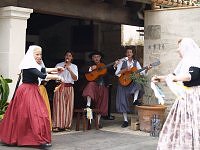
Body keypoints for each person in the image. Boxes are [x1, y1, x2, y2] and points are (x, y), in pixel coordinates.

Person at [0, 45, 64, 148]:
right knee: (35, 115)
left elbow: (43, 69)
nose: (39, 56)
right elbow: (43, 75)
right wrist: (58, 77)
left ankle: (35, 139)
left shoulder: (32, 64)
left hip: (32, 90)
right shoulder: (28, 65)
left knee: (32, 115)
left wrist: (56, 69)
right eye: (37, 54)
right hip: (27, 91)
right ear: (31, 55)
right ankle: (38, 140)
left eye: (40, 54)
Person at [151, 38, 200, 150]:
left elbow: (190, 76)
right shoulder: (184, 62)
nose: (178, 51)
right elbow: (173, 75)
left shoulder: (195, 60)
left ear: (186, 48)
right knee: (178, 124)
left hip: (193, 98)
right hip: (183, 99)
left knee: (192, 124)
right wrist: (159, 78)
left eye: (180, 48)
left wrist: (174, 78)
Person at [82, 51, 118, 128]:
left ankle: (98, 122)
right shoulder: (89, 64)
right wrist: (90, 68)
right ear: (92, 58)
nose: (96, 58)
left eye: (98, 57)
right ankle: (88, 104)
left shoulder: (104, 65)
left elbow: (112, 72)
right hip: (94, 86)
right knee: (90, 85)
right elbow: (82, 70)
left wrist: (114, 66)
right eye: (95, 57)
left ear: (100, 58)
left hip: (103, 86)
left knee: (102, 104)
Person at [115, 47, 148, 128]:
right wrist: (125, 69)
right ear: (126, 54)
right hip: (122, 82)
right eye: (127, 52)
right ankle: (125, 120)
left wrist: (147, 69)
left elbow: (142, 72)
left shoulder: (136, 63)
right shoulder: (122, 62)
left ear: (133, 54)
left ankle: (135, 99)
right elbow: (117, 73)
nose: (129, 53)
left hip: (131, 83)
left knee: (138, 80)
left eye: (130, 52)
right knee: (123, 101)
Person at [52, 51, 78, 132]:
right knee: (58, 106)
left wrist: (69, 69)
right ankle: (57, 125)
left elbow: (75, 78)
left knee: (68, 106)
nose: (68, 57)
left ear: (72, 58)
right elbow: (54, 75)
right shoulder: (59, 65)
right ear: (64, 56)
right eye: (67, 55)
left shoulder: (74, 66)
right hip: (60, 86)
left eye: (70, 56)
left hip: (69, 87)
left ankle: (67, 125)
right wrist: (62, 70)